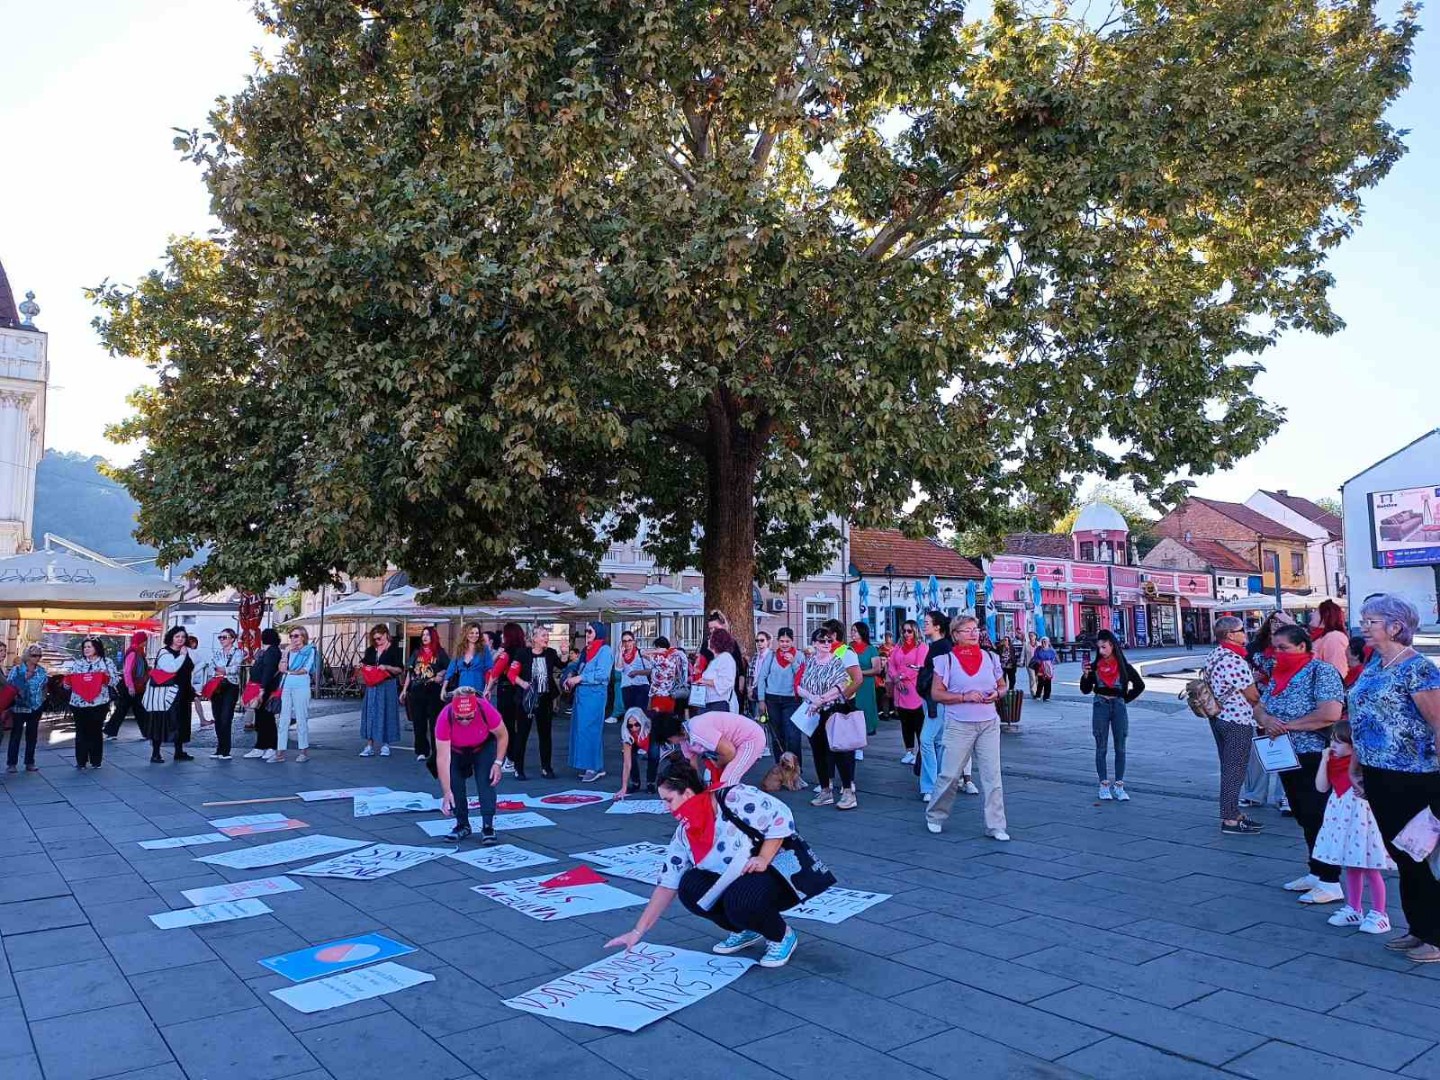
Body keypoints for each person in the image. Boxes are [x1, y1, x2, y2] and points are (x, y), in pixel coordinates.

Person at [604, 757, 802, 968]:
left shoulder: (733, 798)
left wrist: (763, 857)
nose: (665, 807)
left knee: (740, 899)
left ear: (687, 793)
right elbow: (668, 882)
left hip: (774, 873)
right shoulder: (685, 832)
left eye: (669, 800)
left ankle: (781, 935)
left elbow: (781, 814)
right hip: (736, 879)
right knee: (690, 887)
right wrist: (637, 931)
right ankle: (745, 929)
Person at [1347, 594, 1440, 963]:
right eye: (1364, 620)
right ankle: (1419, 929)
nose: (1363, 627)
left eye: (1371, 621)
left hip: (1415, 776)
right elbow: (1362, 718)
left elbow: (1438, 723)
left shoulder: (1417, 669)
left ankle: (1435, 936)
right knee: (1402, 856)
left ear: (1396, 626)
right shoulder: (1375, 665)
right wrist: (1356, 763)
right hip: (1378, 772)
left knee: (1423, 854)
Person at [1255, 623, 1345, 903]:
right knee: (1303, 814)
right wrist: (1267, 721)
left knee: (1317, 814)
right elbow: (1260, 705)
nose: (1278, 653)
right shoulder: (1278, 674)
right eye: (1275, 648)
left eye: (1284, 648)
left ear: (1302, 647)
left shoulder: (1321, 671)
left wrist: (1289, 726)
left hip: (1312, 753)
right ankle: (1316, 871)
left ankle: (1331, 880)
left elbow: (1330, 712)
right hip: (1285, 754)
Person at [925, 616, 1010, 840]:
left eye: (975, 629)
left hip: (988, 722)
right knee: (950, 774)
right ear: (955, 634)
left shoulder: (991, 657)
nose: (973, 634)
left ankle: (996, 825)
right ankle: (935, 815)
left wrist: (997, 694)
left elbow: (1002, 686)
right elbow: (936, 693)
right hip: (959, 723)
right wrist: (963, 696)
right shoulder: (946, 661)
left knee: (993, 776)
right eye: (967, 630)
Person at [1313, 722, 1394, 934]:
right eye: (1332, 741)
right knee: (1351, 864)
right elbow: (1321, 787)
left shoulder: (1363, 765)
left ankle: (1379, 912)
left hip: (1361, 817)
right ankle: (1354, 908)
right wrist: (1324, 760)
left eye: (1339, 742)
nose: (1333, 746)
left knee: (1370, 866)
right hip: (1340, 815)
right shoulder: (1332, 761)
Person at [1203, 617, 1265, 834]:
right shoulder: (1235, 660)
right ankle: (1229, 818)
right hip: (1237, 720)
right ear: (1230, 635)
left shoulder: (1215, 654)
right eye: (1241, 630)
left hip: (1218, 717)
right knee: (1235, 770)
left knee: (1229, 767)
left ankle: (1234, 812)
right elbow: (1252, 695)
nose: (1246, 633)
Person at [796, 623, 863, 809]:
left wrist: (822, 699)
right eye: (822, 640)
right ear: (814, 643)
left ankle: (848, 791)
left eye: (828, 640)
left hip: (835, 710)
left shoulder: (836, 660)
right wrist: (812, 698)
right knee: (818, 750)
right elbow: (800, 685)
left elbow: (842, 684)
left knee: (840, 750)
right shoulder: (809, 662)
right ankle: (825, 789)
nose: (826, 643)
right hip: (814, 712)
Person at [1079, 629, 1146, 801]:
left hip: (1118, 705)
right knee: (1101, 745)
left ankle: (1119, 785)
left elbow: (1139, 685)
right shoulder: (1094, 667)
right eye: (1099, 648)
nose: (1101, 651)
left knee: (1120, 746)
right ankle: (1103, 784)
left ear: (1112, 646)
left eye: (1104, 647)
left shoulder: (1124, 667)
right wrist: (1086, 675)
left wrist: (1124, 699)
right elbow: (1085, 690)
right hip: (1100, 704)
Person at [435, 687, 507, 845]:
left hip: (483, 747)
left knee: (486, 782)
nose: (465, 721)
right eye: (460, 718)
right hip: (455, 750)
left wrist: (498, 763)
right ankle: (462, 824)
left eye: (469, 717)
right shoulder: (445, 716)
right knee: (455, 785)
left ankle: (488, 826)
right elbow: (442, 758)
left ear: (475, 709)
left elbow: (503, 735)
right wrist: (446, 792)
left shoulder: (485, 708)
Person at [917, 610, 975, 800]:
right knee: (939, 741)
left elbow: (943, 674)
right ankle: (940, 782)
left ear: (937, 626)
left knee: (927, 740)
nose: (923, 625)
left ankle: (931, 785)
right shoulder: (938, 645)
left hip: (937, 699)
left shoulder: (941, 646)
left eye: (926, 622)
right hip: (936, 699)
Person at [565, 622, 612, 782]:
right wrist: (570, 677)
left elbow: (602, 675)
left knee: (591, 730)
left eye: (590, 631)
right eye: (586, 631)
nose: (587, 634)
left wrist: (581, 678)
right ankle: (586, 764)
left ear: (598, 632)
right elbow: (579, 667)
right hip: (582, 696)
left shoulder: (605, 650)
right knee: (581, 730)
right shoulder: (587, 650)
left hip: (594, 695)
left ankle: (595, 766)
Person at [515, 625, 562, 779]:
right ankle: (518, 768)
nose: (546, 638)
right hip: (528, 699)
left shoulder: (550, 653)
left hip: (545, 698)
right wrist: (523, 684)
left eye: (547, 635)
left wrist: (566, 653)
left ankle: (546, 767)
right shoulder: (523, 653)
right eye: (543, 635)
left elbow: (562, 665)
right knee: (522, 733)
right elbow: (511, 673)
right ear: (534, 638)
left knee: (545, 734)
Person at [144, 627, 194, 764]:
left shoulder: (185, 652)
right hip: (166, 693)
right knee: (162, 722)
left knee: (181, 722)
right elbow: (171, 668)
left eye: (183, 637)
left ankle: (179, 751)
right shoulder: (165, 652)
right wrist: (183, 656)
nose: (180, 639)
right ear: (171, 637)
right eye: (177, 636)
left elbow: (193, 666)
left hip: (183, 692)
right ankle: (155, 753)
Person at [66, 637, 117, 769]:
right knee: (81, 732)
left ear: (97, 647)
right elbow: (70, 682)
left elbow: (115, 681)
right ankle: (81, 761)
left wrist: (106, 677)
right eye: (85, 647)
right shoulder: (78, 663)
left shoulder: (107, 662)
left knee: (95, 731)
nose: (86, 649)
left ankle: (96, 760)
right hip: (78, 704)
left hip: (99, 703)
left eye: (89, 646)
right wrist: (66, 682)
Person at [401, 625, 448, 765]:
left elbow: (449, 667)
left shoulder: (440, 653)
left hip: (433, 689)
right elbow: (410, 672)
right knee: (418, 722)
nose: (425, 637)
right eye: (423, 635)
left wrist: (441, 673)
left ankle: (436, 751)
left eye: (427, 634)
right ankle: (421, 750)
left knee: (435, 722)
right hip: (417, 689)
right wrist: (404, 690)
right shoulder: (417, 653)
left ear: (433, 636)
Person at [685, 710, 767, 787]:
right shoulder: (685, 735)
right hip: (735, 740)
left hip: (751, 738)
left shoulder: (696, 730)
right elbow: (693, 761)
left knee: (728, 780)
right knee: (721, 778)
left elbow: (730, 752)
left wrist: (718, 763)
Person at [488, 622, 529, 777]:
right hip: (519, 690)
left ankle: (511, 758)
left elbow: (495, 671)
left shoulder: (505, 652)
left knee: (507, 727)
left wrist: (488, 689)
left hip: (505, 689)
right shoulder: (525, 651)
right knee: (519, 727)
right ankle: (515, 759)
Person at [359, 623, 403, 757]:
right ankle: (369, 745)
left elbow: (400, 669)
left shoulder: (395, 650)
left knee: (387, 712)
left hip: (387, 684)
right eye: (375, 639)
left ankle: (386, 744)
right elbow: (364, 662)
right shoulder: (371, 650)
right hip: (372, 685)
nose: (377, 641)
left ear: (386, 635)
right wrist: (363, 666)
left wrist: (387, 667)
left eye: (380, 638)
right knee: (370, 713)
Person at [755, 628, 798, 763]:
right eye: (782, 641)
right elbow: (762, 677)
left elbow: (802, 677)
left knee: (791, 735)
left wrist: (793, 662)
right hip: (772, 699)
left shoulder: (799, 655)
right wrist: (761, 700)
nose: (784, 644)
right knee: (777, 736)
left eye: (787, 641)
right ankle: (780, 768)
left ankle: (796, 769)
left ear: (792, 641)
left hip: (791, 700)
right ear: (778, 641)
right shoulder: (771, 656)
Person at [887, 620, 927, 766]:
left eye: (909, 631)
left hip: (913, 687)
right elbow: (891, 664)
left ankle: (921, 752)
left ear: (915, 631)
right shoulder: (898, 647)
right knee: (905, 722)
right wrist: (896, 679)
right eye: (904, 631)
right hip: (900, 689)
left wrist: (902, 676)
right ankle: (909, 751)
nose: (906, 634)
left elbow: (919, 666)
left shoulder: (921, 647)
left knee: (918, 721)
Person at [275, 627, 316, 763]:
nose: (293, 638)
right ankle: (280, 751)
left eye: (296, 636)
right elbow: (281, 669)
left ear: (303, 637)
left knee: (301, 717)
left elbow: (305, 669)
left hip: (301, 685)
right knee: (283, 718)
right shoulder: (287, 651)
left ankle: (303, 751)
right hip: (287, 684)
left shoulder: (309, 650)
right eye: (291, 636)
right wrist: (285, 653)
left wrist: (290, 672)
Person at [646, 635, 690, 763]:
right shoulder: (676, 657)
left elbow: (643, 653)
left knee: (656, 724)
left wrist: (656, 652)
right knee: (667, 722)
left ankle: (661, 749)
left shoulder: (659, 659)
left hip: (658, 696)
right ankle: (669, 746)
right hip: (670, 695)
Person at [6, 645, 48, 773]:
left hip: (36, 707)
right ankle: (12, 763)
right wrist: (25, 678)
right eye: (34, 655)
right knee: (16, 735)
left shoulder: (41, 670)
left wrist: (43, 698)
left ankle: (30, 762)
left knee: (32, 735)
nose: (37, 658)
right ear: (27, 656)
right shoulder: (18, 669)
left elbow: (45, 685)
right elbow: (10, 686)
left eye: (39, 655)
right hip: (20, 707)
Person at [243, 628, 283, 760]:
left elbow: (268, 670)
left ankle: (270, 746)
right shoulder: (270, 651)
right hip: (263, 688)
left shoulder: (272, 652)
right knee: (261, 718)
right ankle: (262, 745)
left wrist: (262, 688)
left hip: (265, 689)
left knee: (266, 718)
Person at [206, 628, 243, 760]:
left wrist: (224, 670)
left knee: (226, 717)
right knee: (217, 717)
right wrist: (220, 670)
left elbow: (236, 669)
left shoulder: (238, 652)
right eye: (220, 637)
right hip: (217, 686)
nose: (222, 640)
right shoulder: (217, 653)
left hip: (230, 686)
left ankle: (226, 749)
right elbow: (211, 667)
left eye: (224, 637)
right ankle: (219, 748)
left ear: (232, 639)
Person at [104, 632, 149, 740]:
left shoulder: (139, 652)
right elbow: (127, 671)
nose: (146, 642)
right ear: (141, 640)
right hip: (131, 686)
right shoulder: (133, 652)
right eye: (145, 640)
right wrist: (130, 687)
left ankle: (110, 731)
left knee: (131, 709)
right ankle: (147, 733)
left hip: (136, 686)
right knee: (129, 709)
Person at [696, 628, 740, 713]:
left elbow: (726, 682)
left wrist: (704, 681)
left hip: (719, 704)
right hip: (710, 702)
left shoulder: (725, 658)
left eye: (710, 637)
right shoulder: (716, 659)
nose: (708, 640)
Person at [443, 623, 492, 697]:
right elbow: (450, 670)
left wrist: (488, 689)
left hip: (479, 689)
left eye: (477, 633)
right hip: (462, 690)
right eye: (471, 633)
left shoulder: (484, 649)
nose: (475, 635)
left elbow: (490, 670)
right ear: (465, 634)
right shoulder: (459, 649)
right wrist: (443, 688)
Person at [850, 622, 881, 739]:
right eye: (852, 630)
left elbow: (876, 669)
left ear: (862, 632)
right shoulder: (849, 647)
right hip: (851, 683)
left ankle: (865, 732)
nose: (852, 633)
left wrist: (859, 673)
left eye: (855, 631)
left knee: (865, 707)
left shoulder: (871, 649)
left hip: (866, 684)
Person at [616, 629, 652, 720]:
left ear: (634, 641)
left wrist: (637, 672)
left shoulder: (640, 653)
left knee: (640, 715)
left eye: (629, 640)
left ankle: (642, 733)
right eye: (624, 641)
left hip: (641, 687)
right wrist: (620, 652)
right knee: (629, 715)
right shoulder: (620, 655)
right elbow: (618, 668)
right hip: (627, 687)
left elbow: (651, 670)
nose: (627, 643)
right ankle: (630, 733)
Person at [617, 707, 655, 795]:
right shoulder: (627, 733)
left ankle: (651, 783)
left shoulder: (651, 725)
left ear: (641, 722)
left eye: (636, 724)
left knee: (654, 755)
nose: (634, 728)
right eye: (630, 725)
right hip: (637, 742)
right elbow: (627, 763)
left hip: (652, 739)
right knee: (630, 757)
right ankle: (635, 782)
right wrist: (624, 787)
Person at [1311, 599, 1350, 674]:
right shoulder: (1322, 636)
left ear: (1326, 615)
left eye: (1316, 611)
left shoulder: (1334, 637)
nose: (1312, 614)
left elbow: (1337, 670)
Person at [1021, 632, 1040, 697]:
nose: (1030, 637)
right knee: (1032, 678)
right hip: (1029, 664)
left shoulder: (1039, 644)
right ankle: (1033, 692)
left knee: (1038, 678)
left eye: (1032, 636)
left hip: (1038, 663)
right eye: (1029, 636)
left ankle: (1039, 691)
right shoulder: (1026, 644)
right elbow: (1023, 654)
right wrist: (1021, 662)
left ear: (1035, 636)